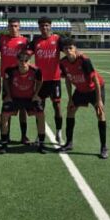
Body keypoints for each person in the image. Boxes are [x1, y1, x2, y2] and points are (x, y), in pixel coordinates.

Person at [59, 38, 108, 159]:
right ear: (63, 51)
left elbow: (96, 80)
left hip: (94, 89)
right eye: (66, 48)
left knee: (100, 114)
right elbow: (68, 81)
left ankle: (103, 147)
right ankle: (69, 143)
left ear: (75, 48)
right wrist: (70, 98)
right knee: (70, 111)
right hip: (80, 90)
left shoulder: (84, 60)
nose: (68, 50)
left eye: (71, 48)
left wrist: (99, 100)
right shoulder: (63, 62)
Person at [27, 16, 65, 145]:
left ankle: (59, 132)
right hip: (40, 81)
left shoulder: (58, 39)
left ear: (50, 26)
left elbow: (68, 52)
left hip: (54, 80)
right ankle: (40, 134)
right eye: (42, 25)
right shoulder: (36, 41)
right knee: (39, 108)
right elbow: (27, 55)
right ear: (39, 27)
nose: (45, 28)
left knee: (57, 106)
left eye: (47, 25)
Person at [0, 17, 30, 144]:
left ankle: (24, 136)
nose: (13, 28)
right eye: (11, 26)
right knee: (7, 107)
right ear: (8, 27)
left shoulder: (25, 41)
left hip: (22, 78)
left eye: (15, 26)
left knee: (23, 109)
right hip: (7, 79)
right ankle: (6, 135)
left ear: (19, 27)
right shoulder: (2, 39)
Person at [1, 51, 46, 154]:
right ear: (17, 61)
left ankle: (41, 144)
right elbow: (5, 81)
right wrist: (8, 95)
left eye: (26, 61)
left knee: (41, 114)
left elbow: (40, 81)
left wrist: (36, 94)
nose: (23, 63)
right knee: (4, 115)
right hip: (15, 98)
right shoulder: (10, 70)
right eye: (21, 61)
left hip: (29, 98)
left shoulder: (36, 70)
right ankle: (4, 144)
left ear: (29, 61)